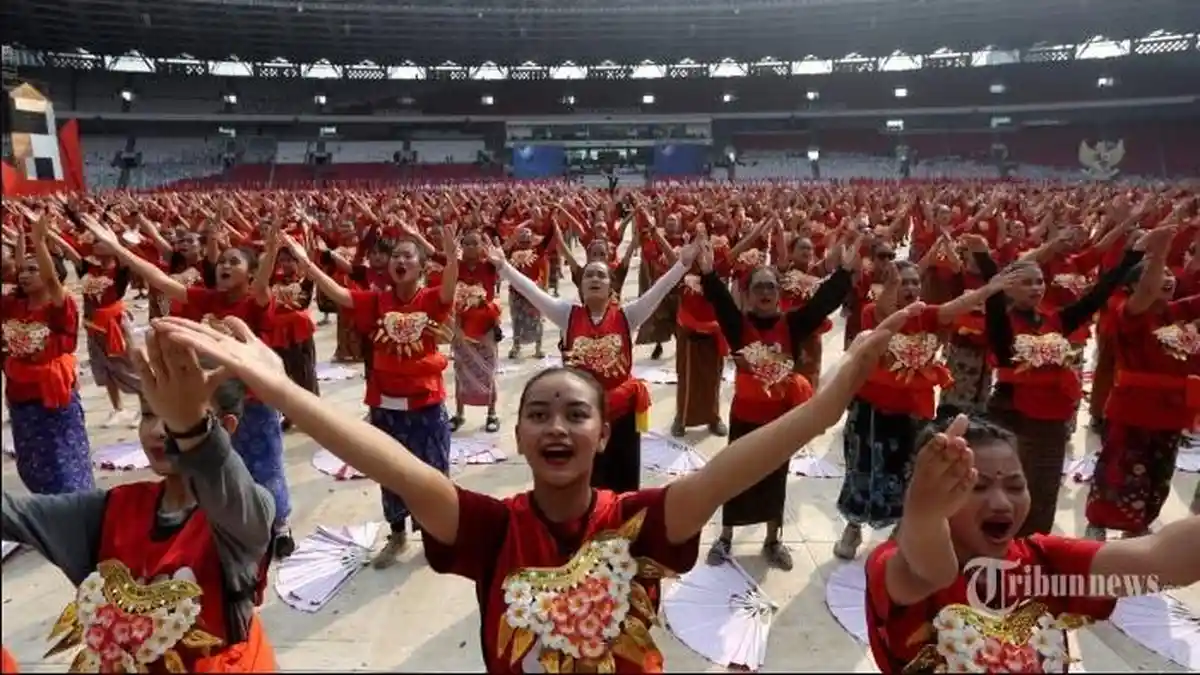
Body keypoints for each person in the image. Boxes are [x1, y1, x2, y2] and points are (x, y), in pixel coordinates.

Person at [147, 298, 917, 674]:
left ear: (604, 434)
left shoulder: (642, 521)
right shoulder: (490, 529)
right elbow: (390, 462)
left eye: (576, 413)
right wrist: (281, 390)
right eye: (538, 413)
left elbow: (731, 468)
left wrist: (830, 401)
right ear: (517, 437)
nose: (557, 425)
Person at [1, 324, 278, 673]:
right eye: (149, 413)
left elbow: (221, 476)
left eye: (178, 416)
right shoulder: (111, 510)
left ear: (228, 426)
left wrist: (192, 431)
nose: (159, 429)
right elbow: (12, 512)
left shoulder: (243, 516)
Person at [864, 415, 1200, 673]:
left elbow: (1161, 562)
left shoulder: (1046, 563)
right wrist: (922, 511)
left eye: (1015, 486)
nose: (1002, 503)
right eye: (976, 487)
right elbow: (931, 571)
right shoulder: (892, 564)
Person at [286, 228, 459, 568]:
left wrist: (452, 260)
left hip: (425, 404)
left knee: (433, 473)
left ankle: (434, 535)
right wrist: (307, 264)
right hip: (385, 406)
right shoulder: (377, 301)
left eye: (408, 256)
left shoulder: (431, 299)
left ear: (422, 266)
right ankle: (397, 535)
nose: (400, 260)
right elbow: (339, 293)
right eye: (396, 256)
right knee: (388, 471)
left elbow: (449, 288)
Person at [974, 229, 1153, 536]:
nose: (1036, 288)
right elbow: (993, 303)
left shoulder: (1055, 321)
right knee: (1004, 487)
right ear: (1008, 288)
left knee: (1043, 488)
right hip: (1012, 414)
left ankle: (1034, 547)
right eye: (1026, 283)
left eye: (1039, 281)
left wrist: (1133, 254)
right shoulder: (1003, 324)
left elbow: (1098, 295)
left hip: (1052, 419)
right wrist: (984, 259)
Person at [697, 234, 855, 569]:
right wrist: (709, 274)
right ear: (748, 295)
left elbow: (821, 304)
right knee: (735, 475)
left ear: (779, 293)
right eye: (759, 287)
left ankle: (772, 540)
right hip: (744, 416)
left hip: (779, 420)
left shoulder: (792, 324)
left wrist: (844, 273)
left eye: (771, 286)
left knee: (775, 478)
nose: (765, 292)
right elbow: (720, 301)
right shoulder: (738, 325)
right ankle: (725, 537)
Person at [494, 237, 691, 493]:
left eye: (601, 275)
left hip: (621, 416)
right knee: (585, 483)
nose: (594, 279)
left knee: (622, 483)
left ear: (611, 286)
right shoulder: (567, 315)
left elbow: (659, 290)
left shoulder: (627, 316)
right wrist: (504, 267)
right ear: (581, 286)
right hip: (580, 416)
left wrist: (682, 265)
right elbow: (533, 292)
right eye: (588, 275)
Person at [1085, 223, 1198, 539]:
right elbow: (1147, 292)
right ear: (1134, 286)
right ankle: (1098, 526)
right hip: (1134, 412)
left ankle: (1139, 529)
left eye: (1170, 275)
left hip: (1171, 414)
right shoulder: (1130, 315)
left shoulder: (1174, 314)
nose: (1167, 279)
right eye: (1159, 275)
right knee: (1121, 473)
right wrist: (1159, 254)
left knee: (1158, 478)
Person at [1, 210, 94, 494]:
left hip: (54, 401)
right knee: (33, 469)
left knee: (66, 470)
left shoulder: (59, 308)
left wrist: (40, 241)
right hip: (21, 401)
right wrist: (19, 238)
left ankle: (79, 513)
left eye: (34, 269)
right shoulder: (11, 305)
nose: (25, 274)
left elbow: (53, 283)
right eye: (23, 270)